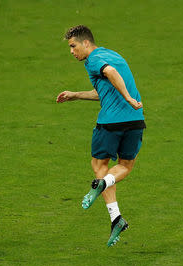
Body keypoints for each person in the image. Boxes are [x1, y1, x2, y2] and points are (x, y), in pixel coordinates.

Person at [56, 25, 146, 247]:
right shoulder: (112, 54)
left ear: (86, 43)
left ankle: (101, 184)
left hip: (110, 123)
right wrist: (75, 95)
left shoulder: (94, 59)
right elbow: (105, 89)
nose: (71, 51)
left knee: (99, 164)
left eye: (73, 46)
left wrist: (127, 98)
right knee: (125, 166)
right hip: (135, 120)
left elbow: (111, 73)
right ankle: (116, 219)